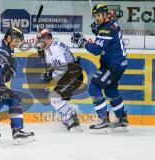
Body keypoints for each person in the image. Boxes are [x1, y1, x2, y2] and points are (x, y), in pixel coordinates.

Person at [71, 3, 128, 133]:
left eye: (98, 15)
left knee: (94, 87)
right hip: (120, 63)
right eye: (95, 15)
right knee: (111, 91)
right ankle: (122, 120)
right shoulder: (113, 23)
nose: (96, 18)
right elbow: (106, 37)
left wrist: (82, 42)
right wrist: (98, 29)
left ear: (105, 14)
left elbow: (97, 49)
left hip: (112, 65)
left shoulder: (106, 29)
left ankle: (103, 121)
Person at [37, 29, 84, 132]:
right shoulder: (50, 46)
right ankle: (71, 114)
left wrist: (49, 75)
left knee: (54, 98)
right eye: (39, 40)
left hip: (72, 73)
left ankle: (74, 122)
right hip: (73, 73)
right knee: (61, 100)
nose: (41, 42)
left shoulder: (53, 48)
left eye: (42, 39)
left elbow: (63, 67)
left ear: (49, 38)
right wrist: (43, 56)